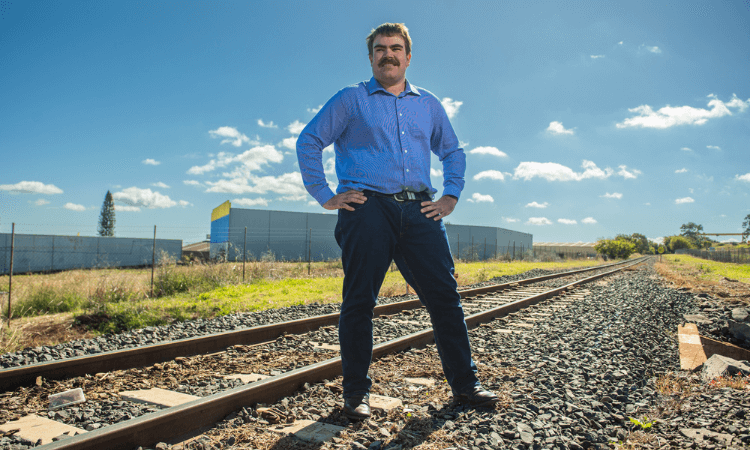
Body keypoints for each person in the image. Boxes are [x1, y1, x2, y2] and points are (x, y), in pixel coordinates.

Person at [296, 23, 498, 420]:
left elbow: (452, 152)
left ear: (408, 56)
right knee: (359, 302)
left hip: (420, 211)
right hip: (366, 209)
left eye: (396, 48)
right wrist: (325, 196)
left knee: (444, 298)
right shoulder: (350, 99)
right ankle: (356, 395)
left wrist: (450, 196)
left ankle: (466, 385)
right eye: (380, 49)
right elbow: (309, 141)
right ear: (370, 56)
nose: (388, 54)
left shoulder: (428, 104)